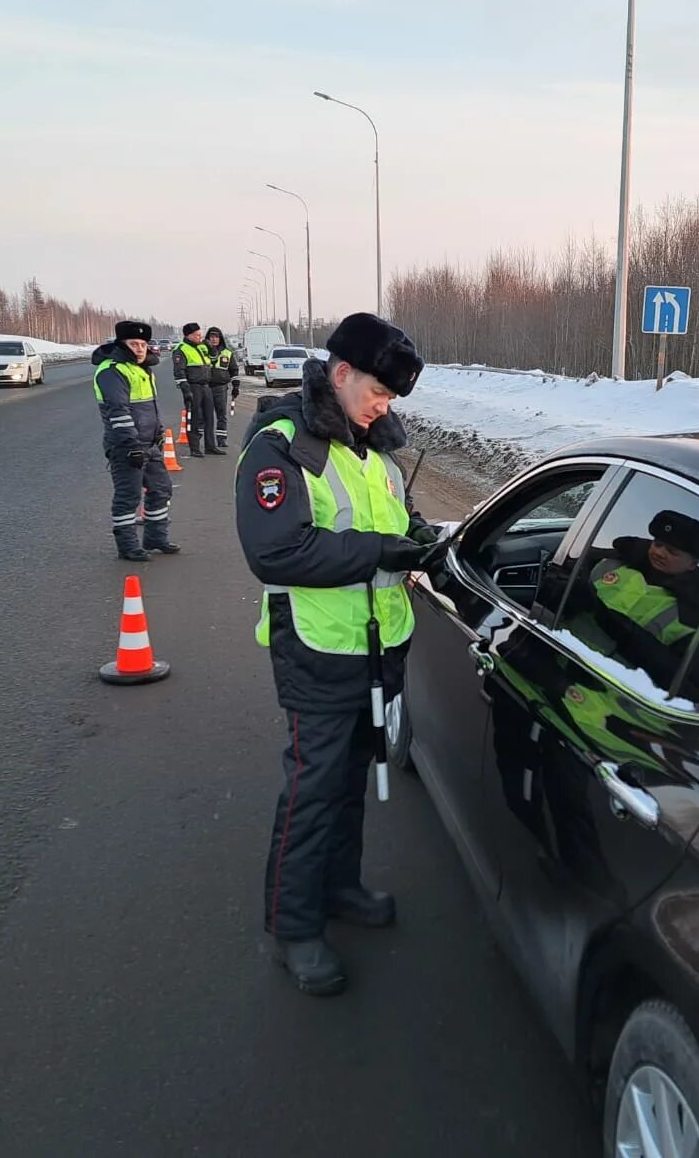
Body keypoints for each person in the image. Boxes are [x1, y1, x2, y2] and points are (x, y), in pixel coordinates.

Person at [235, 312, 443, 996]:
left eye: (392, 400)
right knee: (313, 789)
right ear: (343, 374)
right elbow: (276, 550)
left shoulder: (375, 451)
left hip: (376, 645)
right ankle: (292, 927)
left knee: (353, 776)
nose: (384, 407)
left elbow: (397, 522)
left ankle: (341, 886)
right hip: (317, 648)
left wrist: (425, 543)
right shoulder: (285, 445)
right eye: (378, 393)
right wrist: (378, 552)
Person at [561, 510, 699, 701]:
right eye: (658, 544)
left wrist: (620, 628)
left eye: (672, 552)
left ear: (692, 564)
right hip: (553, 666)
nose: (660, 553)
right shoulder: (607, 562)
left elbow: (693, 689)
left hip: (607, 700)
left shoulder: (694, 622)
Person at [93, 320, 179, 561]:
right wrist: (131, 446)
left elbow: (150, 407)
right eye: (134, 344)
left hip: (150, 445)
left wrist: (159, 433)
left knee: (161, 490)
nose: (140, 349)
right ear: (122, 344)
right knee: (128, 496)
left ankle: (155, 538)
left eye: (143, 344)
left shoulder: (142, 370)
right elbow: (118, 412)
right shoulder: (112, 371)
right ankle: (127, 546)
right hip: (126, 447)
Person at [172, 322, 214, 458]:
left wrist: (210, 346)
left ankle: (210, 446)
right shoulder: (181, 349)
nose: (199, 337)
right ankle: (194, 448)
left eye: (200, 334)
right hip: (193, 386)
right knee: (194, 417)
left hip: (205, 385)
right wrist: (186, 389)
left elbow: (213, 358)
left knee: (209, 417)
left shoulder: (200, 347)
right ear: (188, 335)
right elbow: (179, 371)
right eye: (196, 335)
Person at [201, 326, 240, 454]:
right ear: (208, 338)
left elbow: (234, 370)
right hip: (205, 387)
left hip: (220, 387)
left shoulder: (227, 353)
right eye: (211, 337)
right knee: (204, 415)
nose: (214, 339)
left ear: (220, 338)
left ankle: (221, 439)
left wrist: (236, 386)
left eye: (216, 337)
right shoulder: (202, 351)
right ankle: (203, 440)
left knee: (221, 414)